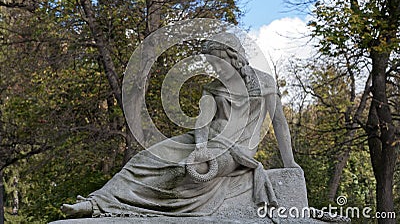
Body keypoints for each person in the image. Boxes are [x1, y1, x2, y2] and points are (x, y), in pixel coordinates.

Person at [61, 35, 299, 218]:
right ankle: (98, 202)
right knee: (145, 159)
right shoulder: (212, 88)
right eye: (212, 65)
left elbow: (279, 124)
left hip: (236, 151)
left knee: (184, 171)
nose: (215, 69)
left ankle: (146, 208)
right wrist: (200, 146)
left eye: (218, 63)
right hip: (204, 142)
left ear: (233, 57)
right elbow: (202, 123)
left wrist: (290, 164)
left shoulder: (265, 82)